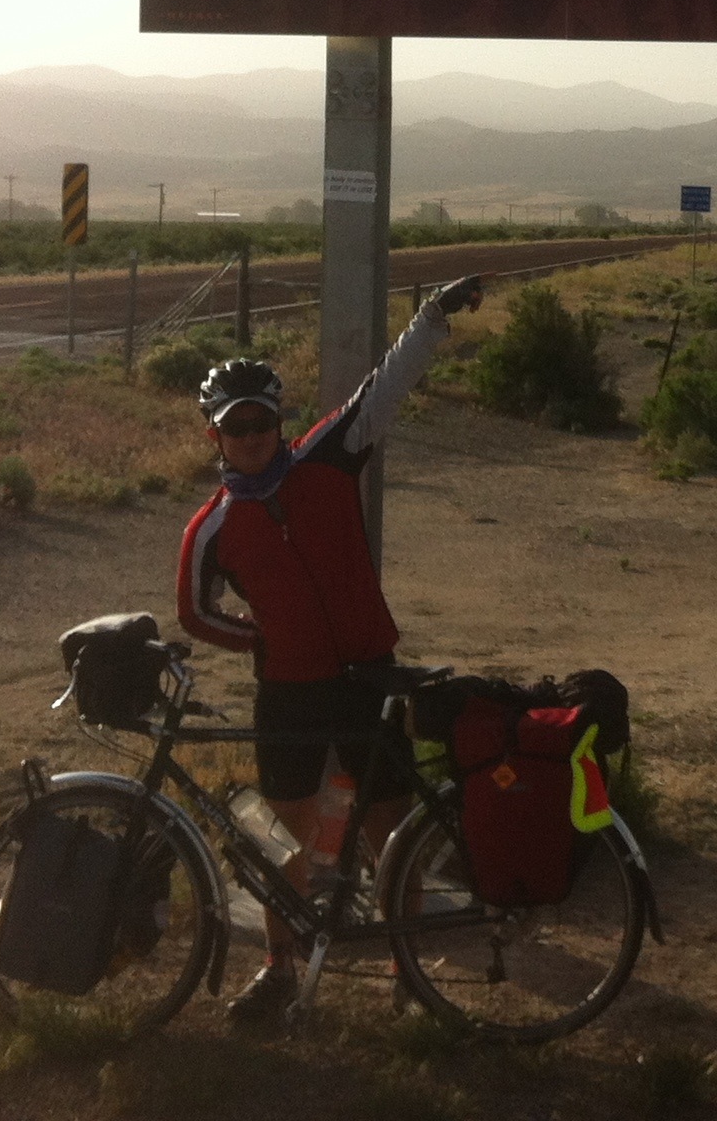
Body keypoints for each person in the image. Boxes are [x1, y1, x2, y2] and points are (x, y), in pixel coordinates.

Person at [176, 274, 485, 1026]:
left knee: (390, 832)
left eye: (261, 421)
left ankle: (407, 972)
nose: (252, 437)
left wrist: (433, 315)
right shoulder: (212, 527)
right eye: (235, 427)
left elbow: (386, 386)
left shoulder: (325, 456)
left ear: (279, 419)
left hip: (367, 676)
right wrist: (262, 637)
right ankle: (279, 968)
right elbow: (193, 612)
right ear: (213, 435)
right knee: (287, 841)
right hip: (289, 690)